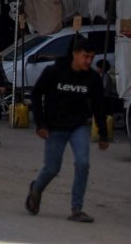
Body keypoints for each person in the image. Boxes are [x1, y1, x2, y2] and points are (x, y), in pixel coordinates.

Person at [26, 38, 110, 223]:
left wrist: (103, 134)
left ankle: (76, 209)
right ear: (75, 54)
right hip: (54, 127)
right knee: (52, 168)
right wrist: (40, 124)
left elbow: (99, 106)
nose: (88, 61)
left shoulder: (92, 78)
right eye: (85, 56)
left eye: (91, 57)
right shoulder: (54, 72)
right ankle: (36, 189)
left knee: (83, 163)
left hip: (78, 126)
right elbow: (36, 93)